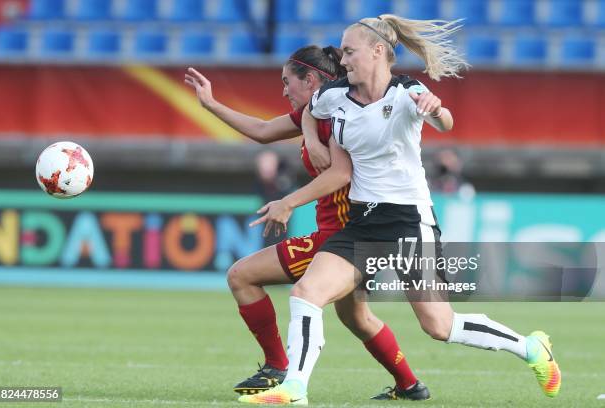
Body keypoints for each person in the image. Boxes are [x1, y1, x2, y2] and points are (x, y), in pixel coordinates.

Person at [240, 15, 561, 405]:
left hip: (410, 221)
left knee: (439, 326)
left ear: (377, 52)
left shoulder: (406, 92)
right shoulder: (335, 95)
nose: (342, 60)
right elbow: (312, 111)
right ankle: (295, 388)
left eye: (349, 51)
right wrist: (312, 137)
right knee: (307, 293)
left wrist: (436, 108)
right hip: (362, 222)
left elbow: (445, 122)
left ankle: (530, 347)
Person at [184, 45, 430, 401]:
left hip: (341, 236)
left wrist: (288, 201)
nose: (284, 90)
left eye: (288, 82)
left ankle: (278, 366)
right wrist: (211, 104)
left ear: (311, 79)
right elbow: (263, 129)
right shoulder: (318, 114)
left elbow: (342, 175)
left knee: (241, 275)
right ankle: (410, 385)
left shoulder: (342, 119)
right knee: (356, 317)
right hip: (351, 235)